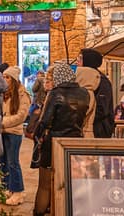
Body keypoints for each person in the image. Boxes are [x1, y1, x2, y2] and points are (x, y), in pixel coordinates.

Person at [30, 62, 89, 216]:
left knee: (44, 184)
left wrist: (36, 136)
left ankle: (39, 212)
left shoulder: (56, 93)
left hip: (54, 142)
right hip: (75, 142)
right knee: (70, 182)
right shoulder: (84, 93)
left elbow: (45, 121)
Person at [0, 66, 31, 206]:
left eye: (7, 77)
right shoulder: (3, 93)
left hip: (14, 132)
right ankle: (7, 188)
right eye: (3, 77)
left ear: (13, 79)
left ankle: (18, 191)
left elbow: (21, 115)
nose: (4, 79)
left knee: (13, 162)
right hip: (1, 132)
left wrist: (3, 123)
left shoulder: (22, 94)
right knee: (3, 162)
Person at [78, 48, 115, 138]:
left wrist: (81, 118)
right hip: (87, 128)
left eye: (80, 58)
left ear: (88, 61)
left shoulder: (101, 81)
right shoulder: (84, 79)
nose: (77, 61)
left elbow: (102, 109)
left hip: (99, 130)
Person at [75, 66, 100, 138]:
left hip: (84, 133)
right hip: (86, 132)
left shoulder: (87, 93)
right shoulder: (89, 92)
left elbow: (82, 114)